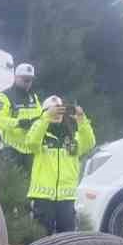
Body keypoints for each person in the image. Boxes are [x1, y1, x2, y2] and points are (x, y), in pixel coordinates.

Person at [24, 96, 95, 235]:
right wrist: (45, 119)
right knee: (42, 239)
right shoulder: (40, 135)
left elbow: (89, 142)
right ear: (45, 112)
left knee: (66, 241)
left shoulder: (72, 138)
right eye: (53, 110)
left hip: (66, 198)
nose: (57, 114)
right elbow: (31, 143)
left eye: (60, 111)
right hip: (43, 198)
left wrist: (82, 119)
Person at [0, 63, 42, 171]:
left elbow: (40, 117)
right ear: (16, 77)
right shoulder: (4, 97)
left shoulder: (33, 97)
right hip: (12, 151)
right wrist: (18, 123)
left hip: (31, 151)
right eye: (25, 79)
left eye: (30, 80)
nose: (28, 83)